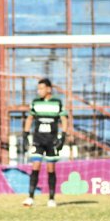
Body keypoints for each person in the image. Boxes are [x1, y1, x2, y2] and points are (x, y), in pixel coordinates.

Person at [22, 78, 68, 208]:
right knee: (35, 166)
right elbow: (30, 118)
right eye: (38, 88)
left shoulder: (57, 102)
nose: (39, 91)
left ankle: (51, 199)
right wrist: (25, 135)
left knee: (50, 168)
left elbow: (64, 119)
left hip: (51, 141)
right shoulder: (35, 102)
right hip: (38, 140)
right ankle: (30, 197)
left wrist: (63, 137)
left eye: (41, 88)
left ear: (49, 89)